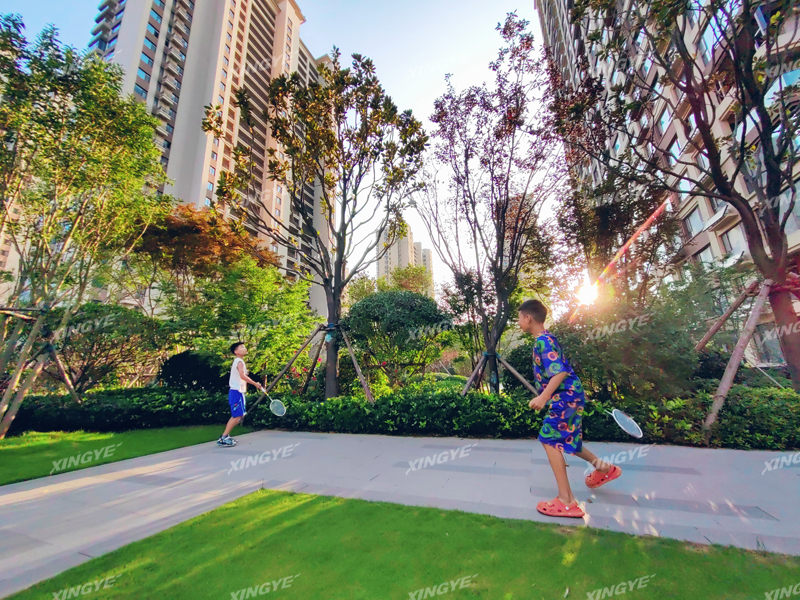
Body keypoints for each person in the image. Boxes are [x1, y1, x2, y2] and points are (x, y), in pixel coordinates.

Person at [518, 299, 621, 518]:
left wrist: (544, 397)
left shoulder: (543, 341)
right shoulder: (546, 339)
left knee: (549, 439)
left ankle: (567, 501)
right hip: (569, 396)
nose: (519, 322)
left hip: (565, 397)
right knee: (568, 439)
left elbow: (560, 372)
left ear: (528, 318)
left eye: (519, 317)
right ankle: (604, 468)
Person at [218, 342, 264, 447]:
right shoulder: (239, 361)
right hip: (236, 392)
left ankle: (225, 436)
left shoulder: (239, 361)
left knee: (240, 415)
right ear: (236, 352)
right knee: (236, 415)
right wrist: (255, 384)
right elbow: (242, 376)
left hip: (239, 392)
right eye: (242, 347)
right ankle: (224, 437)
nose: (245, 348)